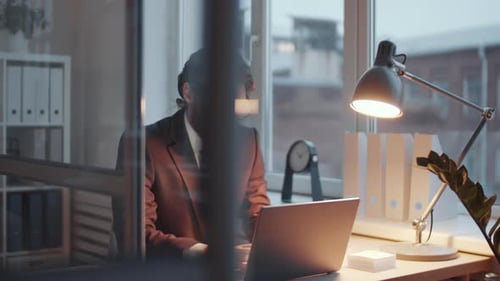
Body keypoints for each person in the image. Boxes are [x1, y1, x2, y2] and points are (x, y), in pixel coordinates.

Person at [118, 48, 270, 259]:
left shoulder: (247, 141)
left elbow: (256, 213)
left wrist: (272, 246)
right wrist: (206, 253)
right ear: (189, 93)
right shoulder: (143, 144)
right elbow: (135, 235)